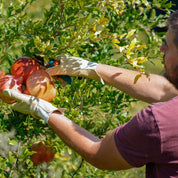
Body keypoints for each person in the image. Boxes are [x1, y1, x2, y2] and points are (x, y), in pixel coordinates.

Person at [3, 10, 178, 177]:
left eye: (167, 46)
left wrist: (44, 110)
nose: (161, 50)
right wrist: (89, 68)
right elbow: (164, 90)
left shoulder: (159, 123)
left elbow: (99, 153)